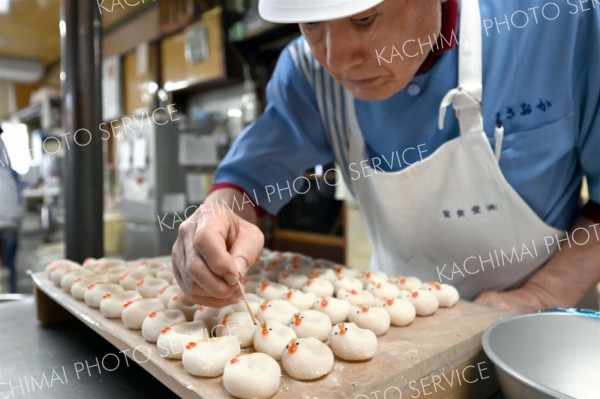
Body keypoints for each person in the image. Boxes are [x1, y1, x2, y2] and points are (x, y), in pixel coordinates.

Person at [172, 0, 600, 313]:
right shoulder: (307, 73)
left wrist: (540, 297)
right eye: (310, 25)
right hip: (397, 323)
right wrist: (217, 216)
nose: (337, 60)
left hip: (545, 331)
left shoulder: (561, 23)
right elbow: (250, 181)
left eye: (363, 19)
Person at [0, 127, 24, 293]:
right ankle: (11, 295)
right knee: (9, 268)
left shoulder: (7, 170)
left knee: (7, 268)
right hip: (12, 221)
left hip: (8, 221)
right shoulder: (9, 170)